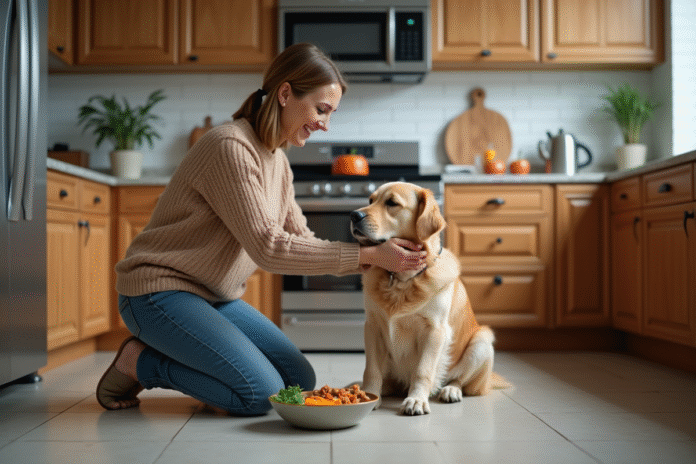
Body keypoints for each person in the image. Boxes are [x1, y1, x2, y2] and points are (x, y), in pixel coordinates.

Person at [96, 43, 427, 415]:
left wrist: (376, 254)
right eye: (321, 109)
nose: (325, 124)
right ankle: (139, 362)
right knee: (258, 394)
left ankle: (204, 365)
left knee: (297, 379)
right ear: (285, 94)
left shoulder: (278, 162)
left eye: (330, 114)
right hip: (158, 293)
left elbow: (301, 239)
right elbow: (269, 247)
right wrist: (366, 255)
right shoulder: (230, 147)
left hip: (214, 296)